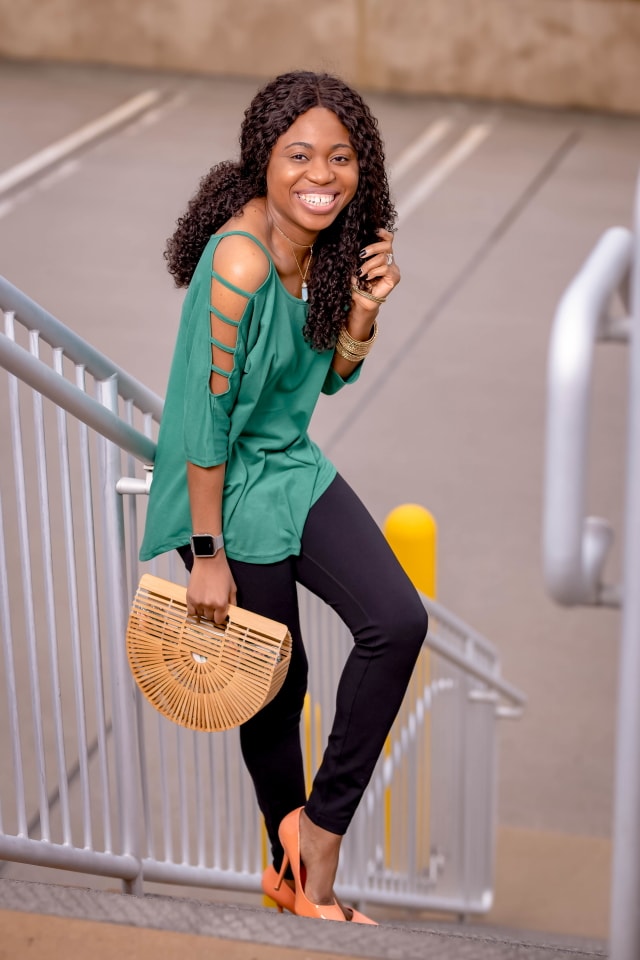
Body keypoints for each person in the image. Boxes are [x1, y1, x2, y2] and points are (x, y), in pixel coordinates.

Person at [140, 70, 428, 923]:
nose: (322, 174)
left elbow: (326, 380)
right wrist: (206, 555)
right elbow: (206, 418)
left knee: (397, 620)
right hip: (227, 490)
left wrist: (365, 313)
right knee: (277, 679)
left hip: (290, 465)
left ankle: (320, 832)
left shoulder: (322, 249)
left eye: (341, 157)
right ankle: (293, 868)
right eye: (299, 154)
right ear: (261, 161)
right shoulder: (239, 259)